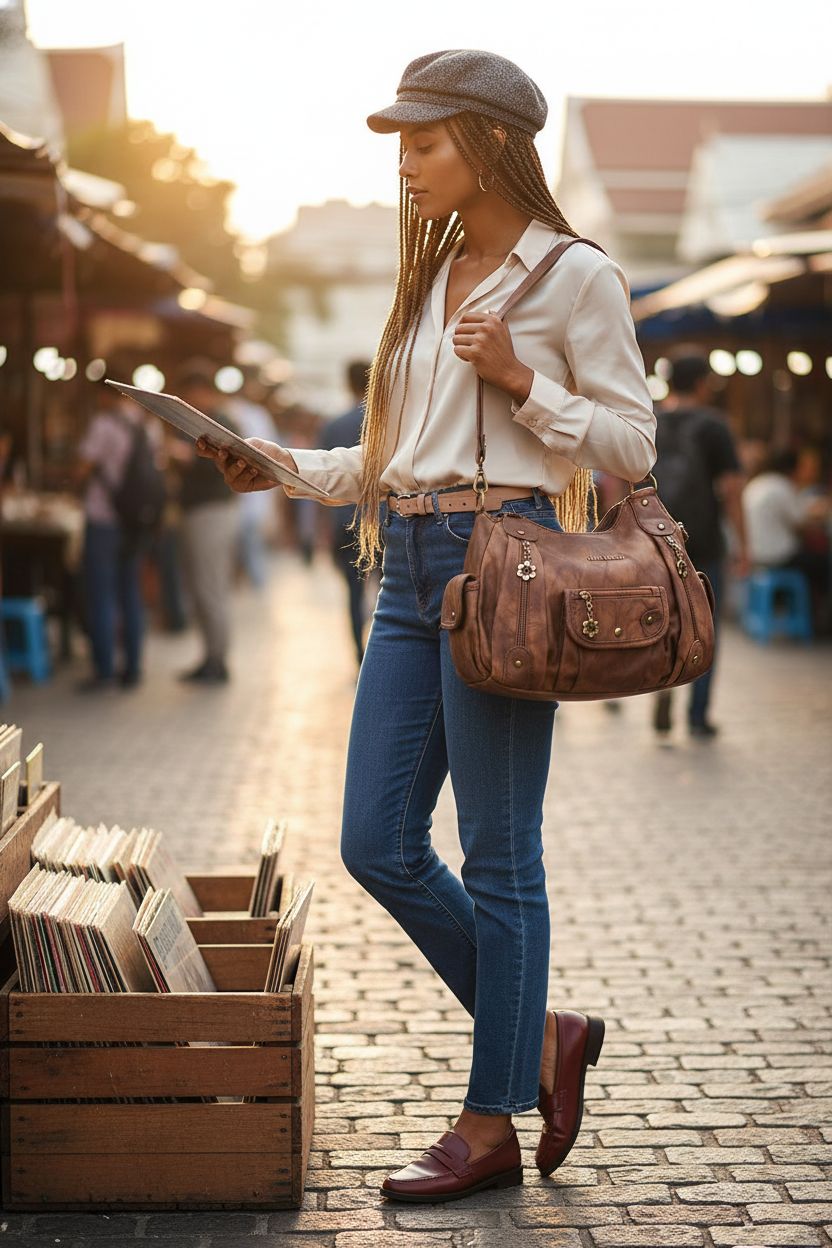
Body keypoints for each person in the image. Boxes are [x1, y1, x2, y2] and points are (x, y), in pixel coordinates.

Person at [197, 49, 656, 1201]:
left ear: (492, 141)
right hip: (405, 568)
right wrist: (283, 469)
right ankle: (543, 1033)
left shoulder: (573, 279)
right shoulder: (432, 272)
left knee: (498, 859)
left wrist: (524, 383)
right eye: (401, 143)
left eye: (424, 140)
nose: (405, 162)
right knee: (375, 842)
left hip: (506, 568)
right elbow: (388, 457)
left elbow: (632, 446)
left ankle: (489, 1118)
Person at [650, 350, 749, 738]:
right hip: (704, 541)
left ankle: (662, 684)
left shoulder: (652, 422)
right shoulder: (714, 425)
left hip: (657, 540)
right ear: (704, 382)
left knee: (662, 621)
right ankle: (697, 713)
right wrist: (743, 545)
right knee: (705, 626)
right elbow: (732, 489)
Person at [76, 387, 165, 691]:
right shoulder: (148, 426)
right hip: (136, 522)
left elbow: (83, 467)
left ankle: (103, 671)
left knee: (101, 595)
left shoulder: (103, 425)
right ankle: (133, 668)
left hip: (104, 519)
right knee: (131, 592)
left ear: (104, 393)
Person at [170, 368, 241, 683]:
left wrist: (184, 458)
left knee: (210, 587)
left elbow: (231, 465)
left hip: (212, 511)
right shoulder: (195, 425)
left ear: (205, 392)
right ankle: (210, 656)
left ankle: (217, 660)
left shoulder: (221, 423)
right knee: (201, 587)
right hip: (200, 511)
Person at [742, 447, 831, 631]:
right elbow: (801, 524)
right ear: (793, 468)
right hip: (778, 556)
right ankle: (821, 622)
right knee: (824, 564)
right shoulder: (781, 486)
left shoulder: (758, 483)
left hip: (755, 554)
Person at [318, 360, 372, 665]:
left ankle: (359, 656)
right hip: (385, 517)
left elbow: (324, 475)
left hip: (344, 521)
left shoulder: (333, 424)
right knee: (387, 592)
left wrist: (321, 530)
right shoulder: (389, 419)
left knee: (353, 591)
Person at [226, 367, 281, 588]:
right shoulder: (237, 412)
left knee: (249, 544)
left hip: (252, 495)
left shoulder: (256, 415)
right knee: (245, 545)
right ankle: (253, 584)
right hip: (240, 496)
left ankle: (256, 585)